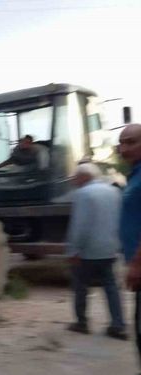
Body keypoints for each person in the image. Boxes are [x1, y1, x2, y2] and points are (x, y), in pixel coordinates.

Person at [65, 162, 127, 339]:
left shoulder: (83, 194)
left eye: (76, 178)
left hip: (88, 251)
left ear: (84, 177)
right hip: (110, 248)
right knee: (111, 287)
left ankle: (82, 323)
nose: (74, 181)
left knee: (80, 286)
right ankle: (118, 325)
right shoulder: (114, 191)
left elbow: (80, 226)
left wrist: (74, 250)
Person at [119, 124, 141, 366]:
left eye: (131, 142)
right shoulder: (135, 173)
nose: (124, 148)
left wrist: (137, 263)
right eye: (122, 143)